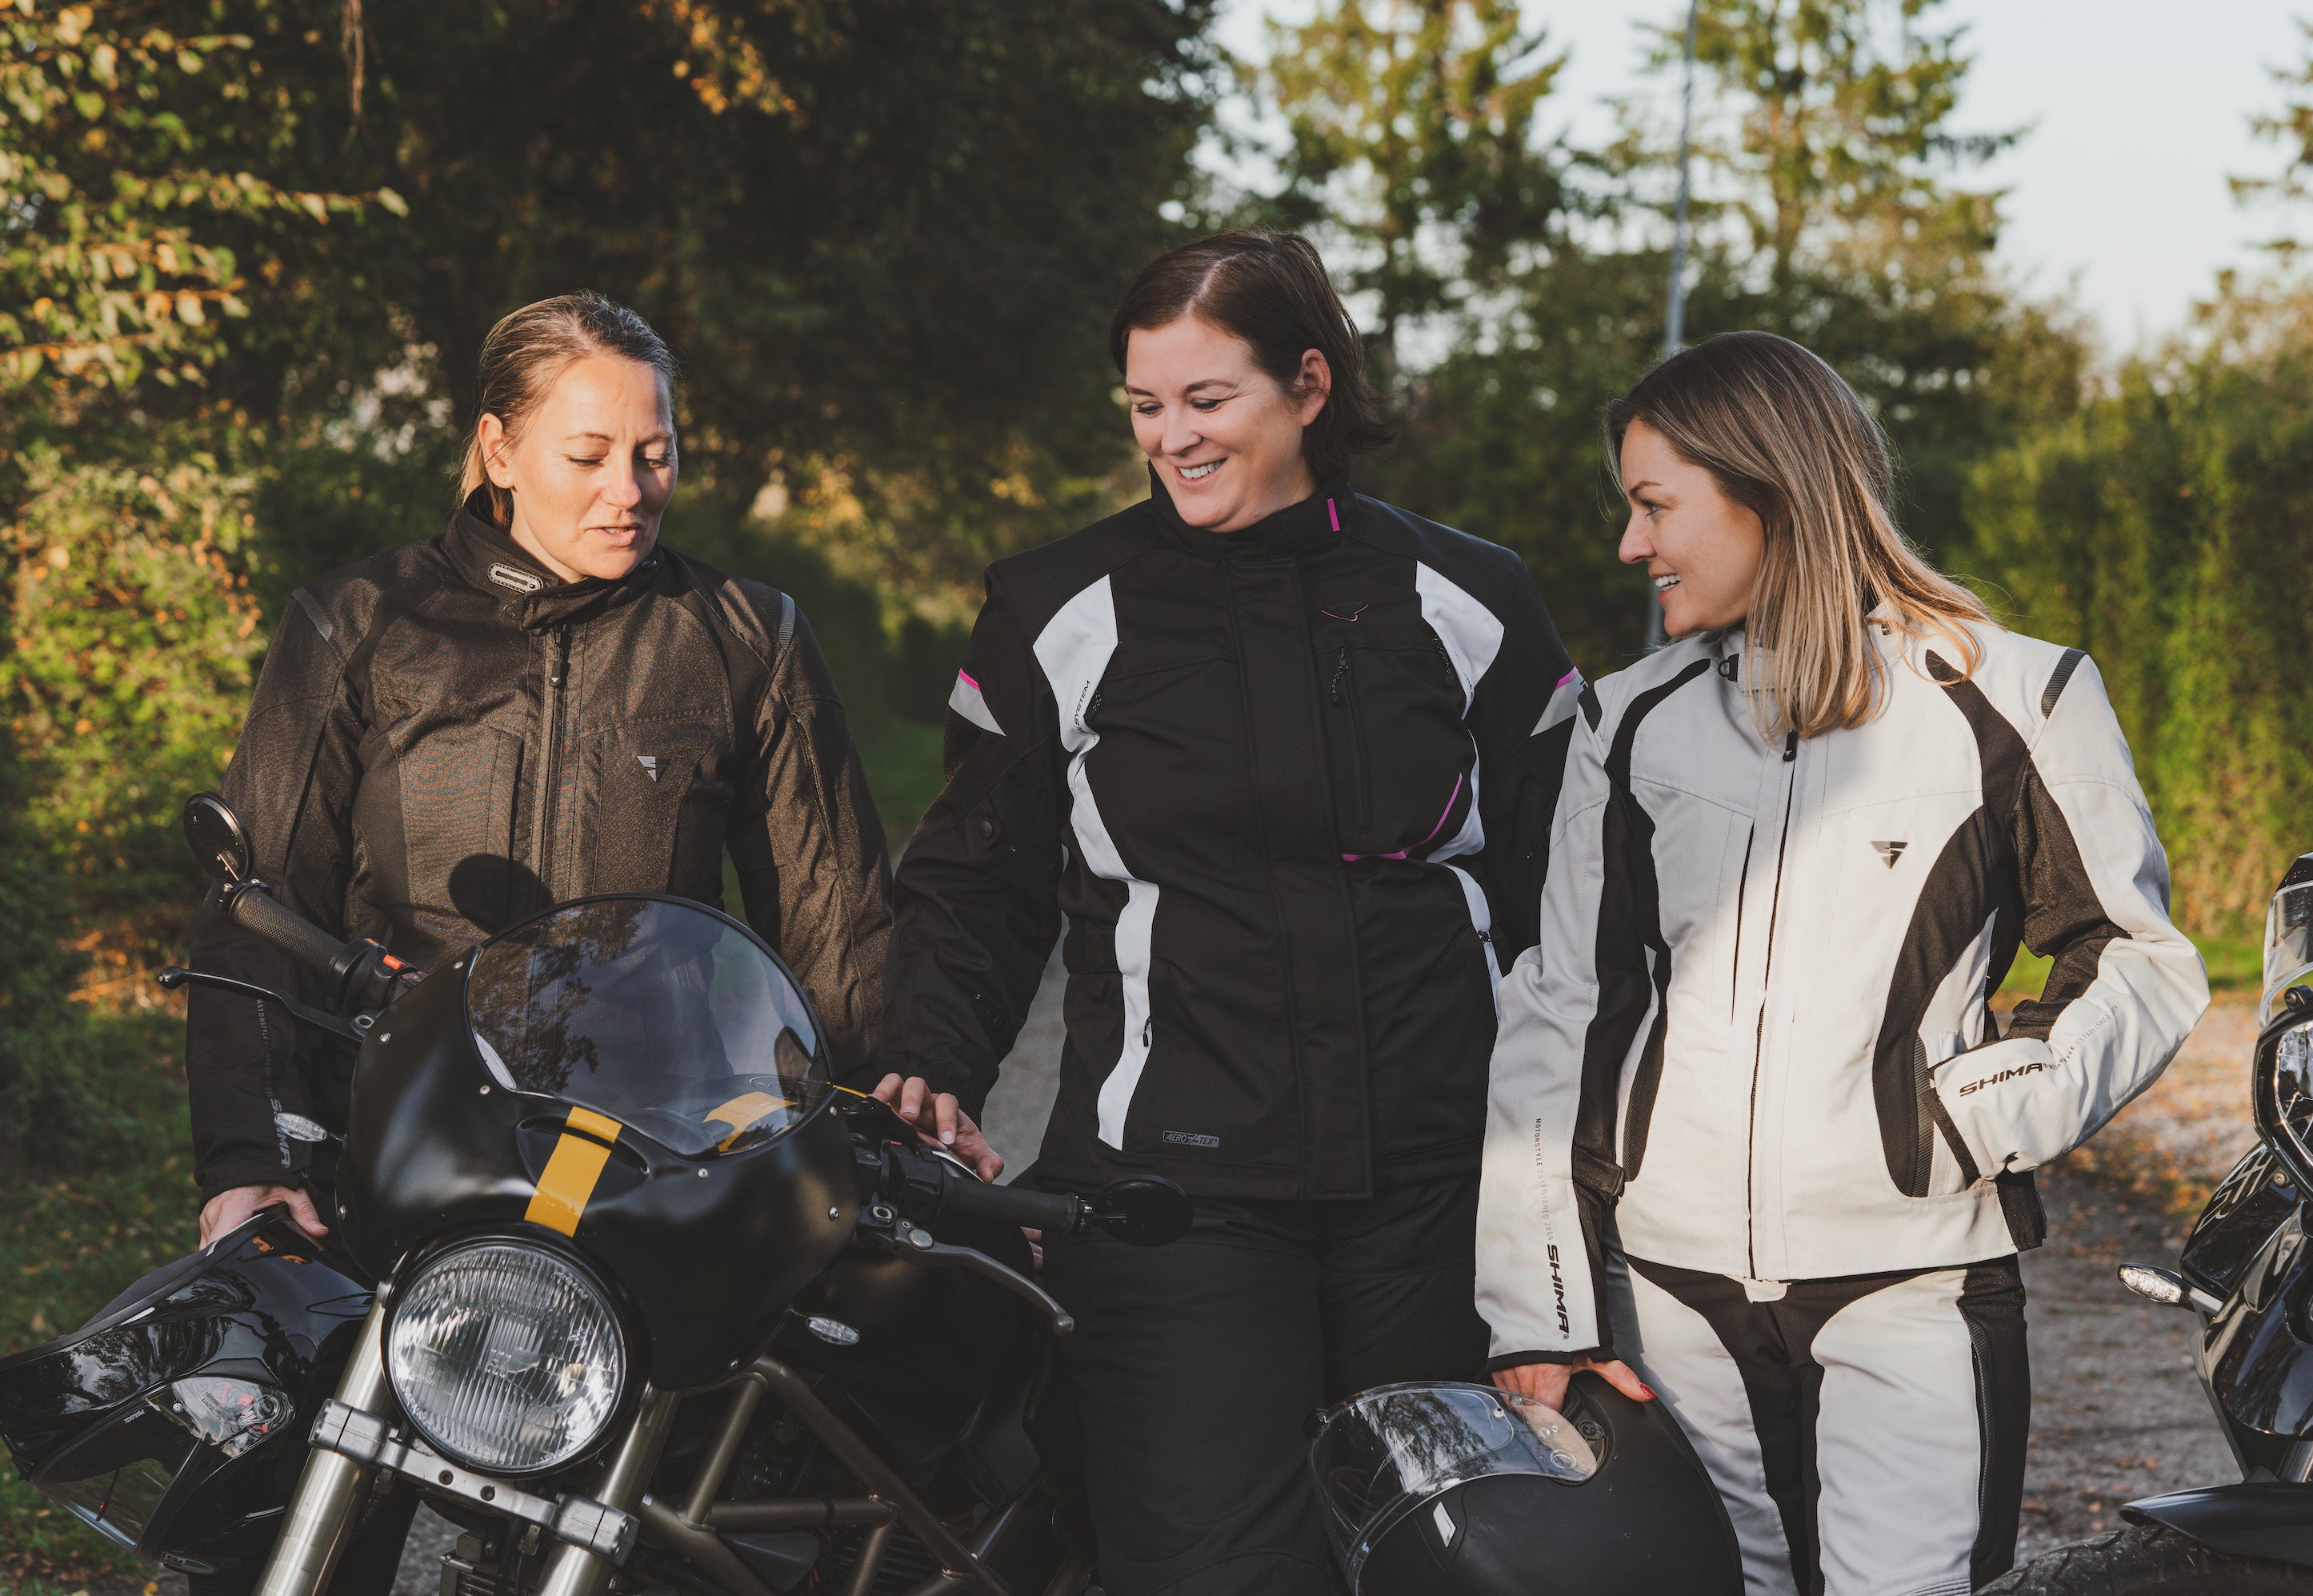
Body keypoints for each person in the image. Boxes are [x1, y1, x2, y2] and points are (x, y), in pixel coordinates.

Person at [870, 231, 1583, 1595]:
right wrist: (931, 1060)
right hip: (1170, 1195)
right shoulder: (1052, 610)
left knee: (1449, 1564)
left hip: (1433, 1190)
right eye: (1146, 407)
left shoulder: (1472, 599)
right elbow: (979, 876)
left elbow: (1561, 895)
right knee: (1213, 1568)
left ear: (1308, 386)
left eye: (1208, 402)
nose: (1171, 440)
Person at [1475, 330, 2210, 1595]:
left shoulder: (2018, 696)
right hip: (1670, 1290)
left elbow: (2135, 956)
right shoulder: (1627, 717)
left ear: (1768, 489)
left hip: (1911, 1281)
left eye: (1656, 506)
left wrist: (1974, 1113)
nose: (1631, 545)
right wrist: (1538, 1307)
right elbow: (1562, 1007)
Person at [186, 290, 894, 1251]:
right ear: (500, 450)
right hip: (397, 1140)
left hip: (658, 1156)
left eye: (656, 453)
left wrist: (861, 1130)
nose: (631, 490)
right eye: (588, 455)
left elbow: (833, 918)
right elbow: (257, 904)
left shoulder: (745, 637)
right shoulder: (354, 624)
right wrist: (250, 1162)